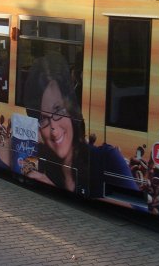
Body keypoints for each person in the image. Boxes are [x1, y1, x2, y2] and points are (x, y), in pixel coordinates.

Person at [23, 53, 139, 198]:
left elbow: (135, 205)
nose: (54, 130)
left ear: (71, 108)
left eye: (58, 110)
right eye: (43, 119)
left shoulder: (107, 159)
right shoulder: (40, 163)